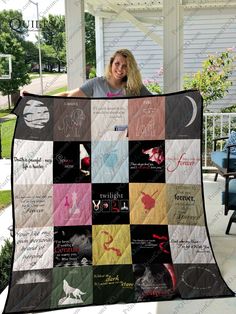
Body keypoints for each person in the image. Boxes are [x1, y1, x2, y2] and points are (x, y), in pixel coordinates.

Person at [56, 48, 152, 98]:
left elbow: (157, 102)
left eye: (125, 66)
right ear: (111, 64)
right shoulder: (95, 84)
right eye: (117, 64)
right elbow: (68, 95)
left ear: (130, 68)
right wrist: (44, 100)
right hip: (101, 134)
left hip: (128, 133)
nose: (120, 69)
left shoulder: (135, 86)